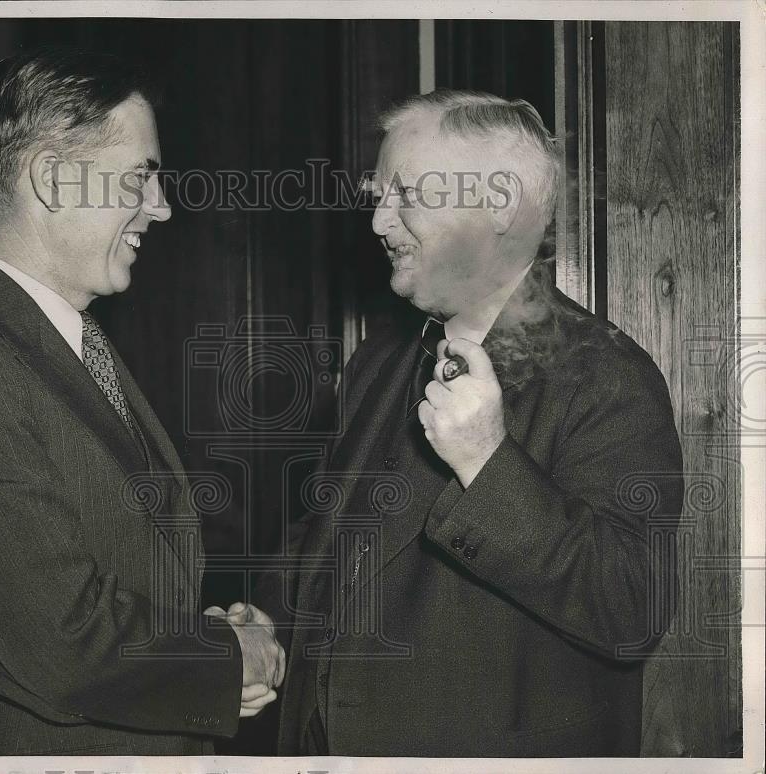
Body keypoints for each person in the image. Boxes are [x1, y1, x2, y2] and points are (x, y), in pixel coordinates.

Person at [0, 46, 283, 756]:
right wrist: (225, 656)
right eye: (142, 178)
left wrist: (202, 633)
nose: (163, 206)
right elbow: (60, 639)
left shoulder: (63, 343)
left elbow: (116, 571)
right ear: (54, 179)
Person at [265, 90, 683, 756]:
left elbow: (632, 611)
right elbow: (334, 539)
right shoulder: (381, 358)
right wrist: (265, 618)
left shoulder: (606, 374)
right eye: (378, 194)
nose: (378, 220)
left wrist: (487, 463)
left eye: (405, 194)